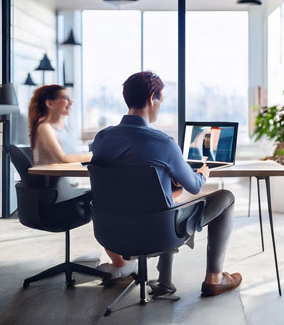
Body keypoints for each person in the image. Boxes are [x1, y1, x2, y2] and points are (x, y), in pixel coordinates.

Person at [90, 71, 241, 297]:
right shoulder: (164, 143)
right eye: (161, 100)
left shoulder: (101, 139)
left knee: (166, 197)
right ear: (152, 98)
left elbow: (124, 180)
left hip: (110, 233)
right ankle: (214, 278)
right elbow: (194, 187)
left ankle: (164, 281)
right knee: (225, 197)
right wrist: (202, 173)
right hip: (157, 233)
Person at [28, 85, 136, 278]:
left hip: (66, 189)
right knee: (107, 200)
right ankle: (119, 261)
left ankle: (125, 255)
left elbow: (71, 153)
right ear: (50, 103)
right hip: (57, 199)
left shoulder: (61, 127)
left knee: (116, 194)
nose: (70, 103)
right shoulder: (44, 127)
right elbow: (62, 157)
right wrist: (95, 155)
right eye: (65, 98)